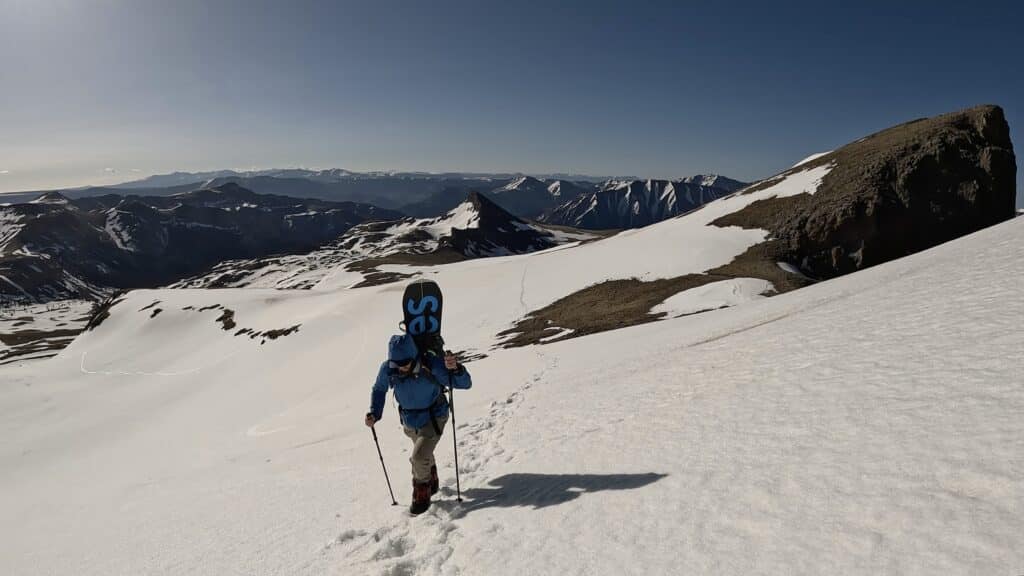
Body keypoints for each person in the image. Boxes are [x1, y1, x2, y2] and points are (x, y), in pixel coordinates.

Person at [366, 334, 472, 514]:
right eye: (397, 363)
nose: (401, 367)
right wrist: (374, 413)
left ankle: (422, 492)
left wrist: (456, 369)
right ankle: (433, 479)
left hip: (434, 416)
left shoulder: (430, 364)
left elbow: (464, 384)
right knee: (423, 452)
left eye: (406, 362)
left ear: (414, 356)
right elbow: (379, 389)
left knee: (419, 457)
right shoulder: (388, 368)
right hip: (409, 420)